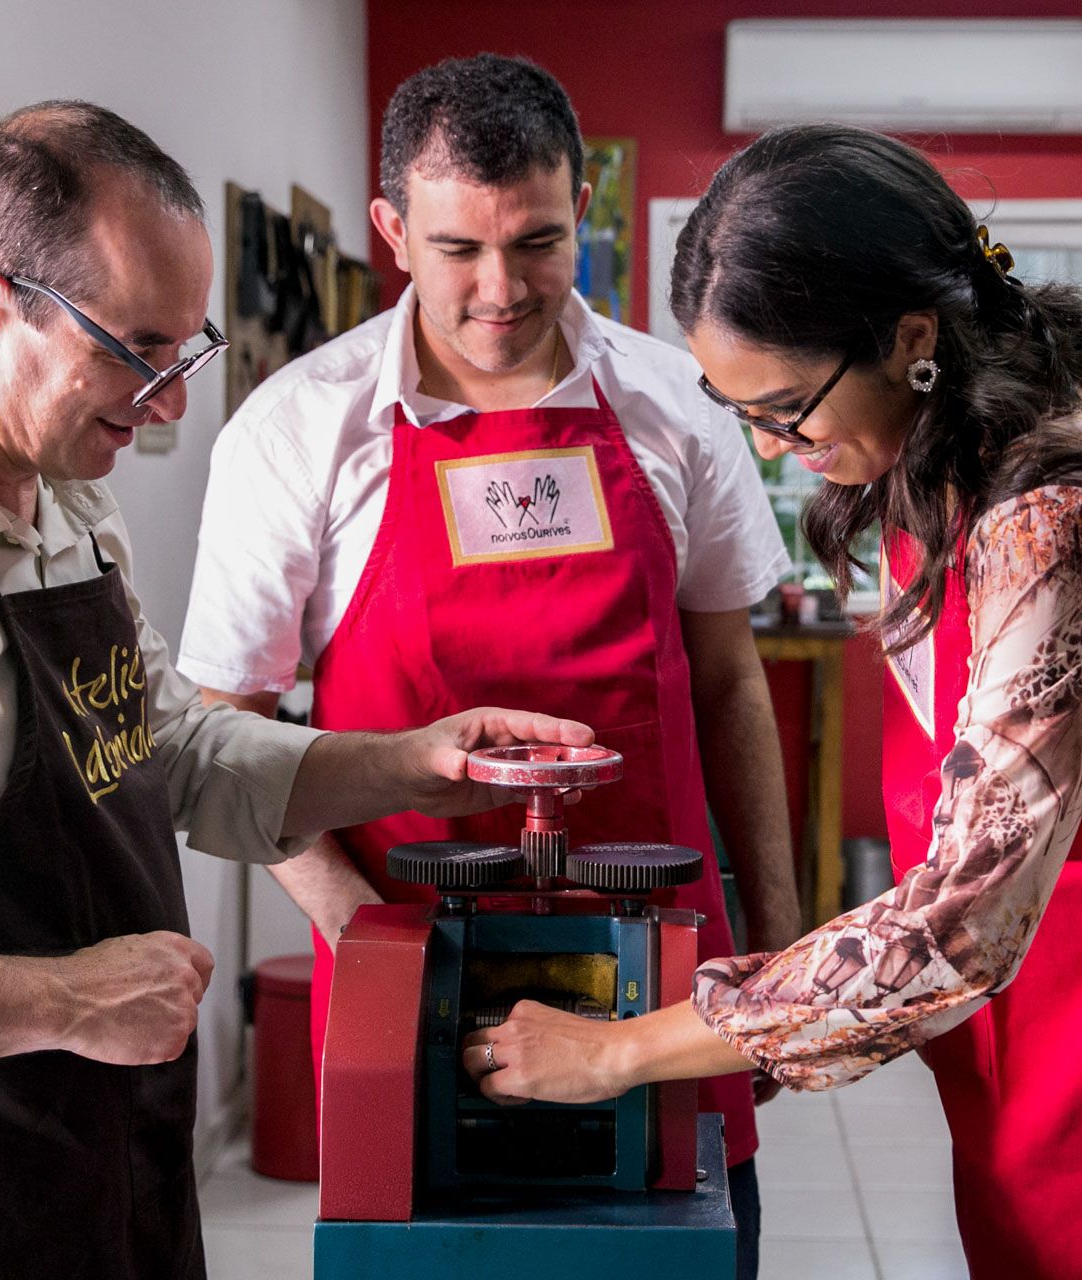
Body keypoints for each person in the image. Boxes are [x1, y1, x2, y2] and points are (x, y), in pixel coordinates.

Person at [0, 100, 590, 1280]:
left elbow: (164, 751)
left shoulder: (60, 490)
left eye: (186, 352)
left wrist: (409, 761)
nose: (172, 400)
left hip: (84, 1159)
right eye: (136, 352)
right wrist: (64, 1001)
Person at [464, 124, 1082, 1280]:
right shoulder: (951, 452)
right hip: (1055, 1004)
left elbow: (965, 918)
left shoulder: (1050, 507)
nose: (780, 448)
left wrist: (625, 1050)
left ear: (914, 337)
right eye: (744, 416)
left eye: (788, 408)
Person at [177, 54, 797, 1273]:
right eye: (458, 248)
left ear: (583, 218)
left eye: (539, 241)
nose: (501, 288)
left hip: (666, 964)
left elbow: (730, 681)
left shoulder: (680, 402)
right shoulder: (303, 429)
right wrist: (373, 952)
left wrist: (774, 939)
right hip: (407, 955)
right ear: (393, 231)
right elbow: (225, 733)